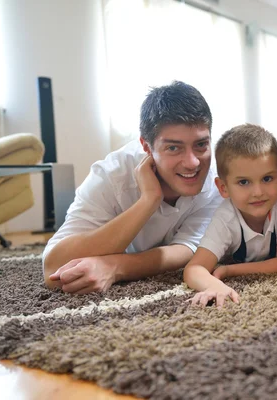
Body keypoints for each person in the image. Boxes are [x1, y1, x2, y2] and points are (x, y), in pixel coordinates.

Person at [43, 81, 222, 294]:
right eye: (173, 148)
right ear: (146, 146)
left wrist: (116, 267)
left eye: (201, 145)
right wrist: (148, 200)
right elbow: (53, 268)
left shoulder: (216, 180)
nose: (193, 163)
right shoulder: (111, 176)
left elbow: (188, 249)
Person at [184, 124, 277, 308]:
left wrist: (228, 270)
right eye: (243, 182)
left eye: (267, 179)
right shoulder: (225, 216)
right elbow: (194, 268)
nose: (257, 192)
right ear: (223, 188)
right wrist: (214, 285)